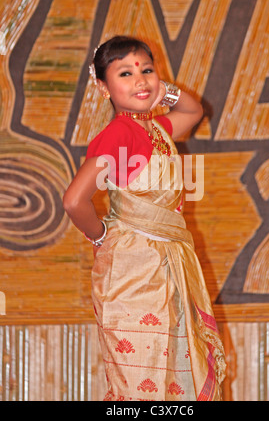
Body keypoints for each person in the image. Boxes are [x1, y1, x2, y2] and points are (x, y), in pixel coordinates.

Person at [63, 35, 226, 401]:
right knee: (140, 385)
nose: (139, 80)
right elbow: (75, 201)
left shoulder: (154, 130)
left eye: (146, 70)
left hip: (163, 266)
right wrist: (101, 236)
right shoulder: (120, 133)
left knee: (168, 380)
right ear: (103, 87)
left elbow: (192, 111)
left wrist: (158, 90)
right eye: (125, 73)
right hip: (135, 274)